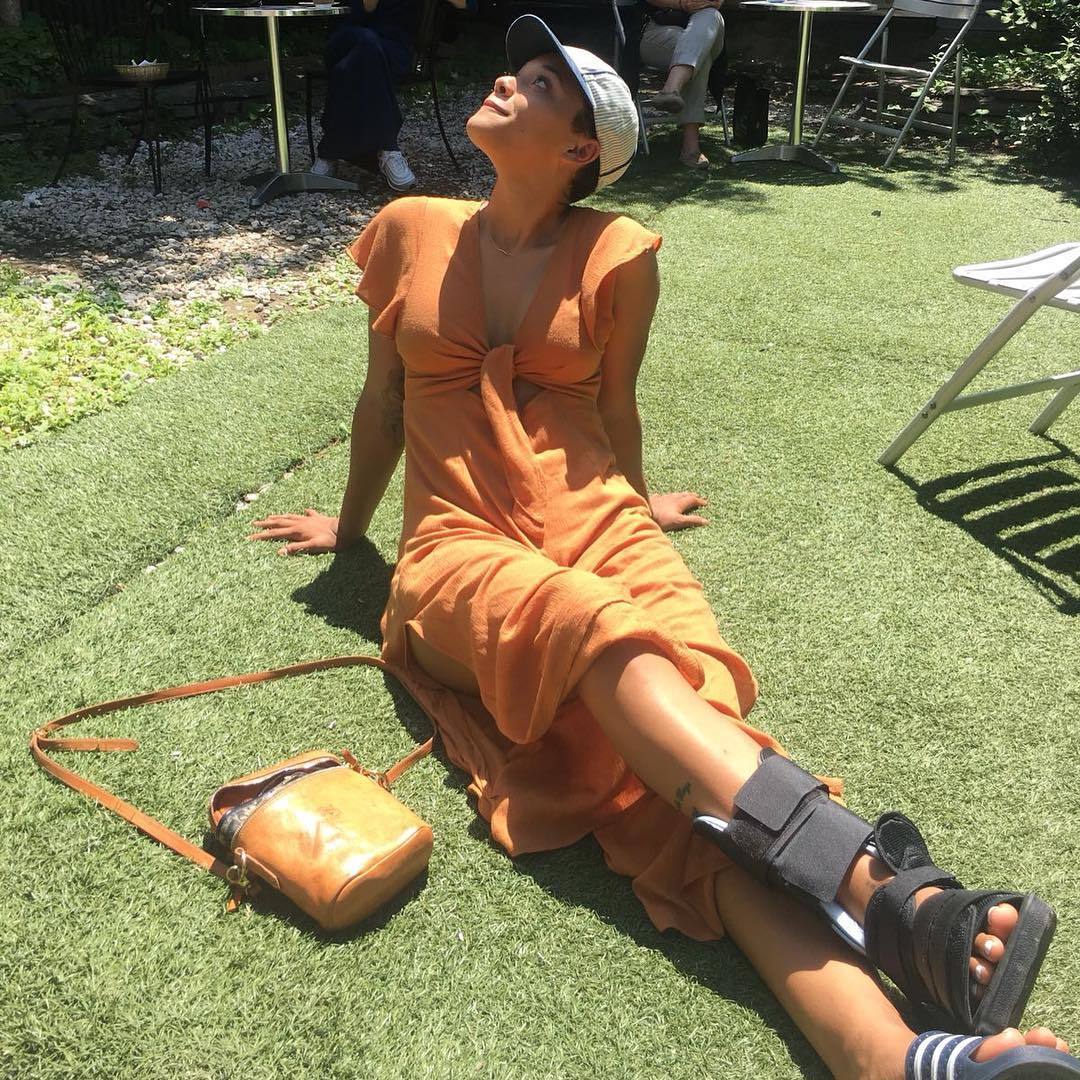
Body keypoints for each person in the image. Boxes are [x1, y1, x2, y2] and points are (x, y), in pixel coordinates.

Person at [250, 17, 1077, 1079]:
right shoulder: (410, 227)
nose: (507, 80)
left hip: (598, 522)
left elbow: (614, 407)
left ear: (580, 148)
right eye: (517, 69)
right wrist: (354, 530)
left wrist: (634, 508)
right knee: (602, 635)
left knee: (691, 764)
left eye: (538, 81)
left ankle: (891, 1058)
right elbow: (383, 404)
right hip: (458, 547)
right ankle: (887, 890)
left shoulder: (618, 253)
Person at [311, 0, 468, 191]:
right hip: (346, 40)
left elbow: (466, 5)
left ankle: (329, 151)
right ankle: (387, 147)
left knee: (355, 63)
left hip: (394, 47)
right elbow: (358, 13)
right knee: (366, 44)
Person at [639, 0, 726, 168]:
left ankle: (670, 89)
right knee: (699, 54)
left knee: (711, 14)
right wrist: (683, 4)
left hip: (704, 27)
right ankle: (690, 147)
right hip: (653, 29)